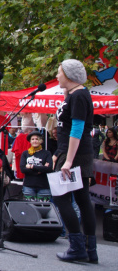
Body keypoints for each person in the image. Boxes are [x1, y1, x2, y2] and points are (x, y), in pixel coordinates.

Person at [53, 59, 97, 263]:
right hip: (77, 152)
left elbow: (77, 129)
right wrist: (66, 94)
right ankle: (90, 249)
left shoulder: (79, 96)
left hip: (74, 154)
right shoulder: (76, 94)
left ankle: (77, 246)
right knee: (82, 199)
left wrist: (68, 161)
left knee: (62, 198)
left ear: (69, 76)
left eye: (59, 72)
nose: (56, 76)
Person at [20, 131, 53, 201]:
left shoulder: (47, 153)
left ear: (41, 141)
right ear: (30, 141)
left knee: (43, 209)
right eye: (33, 139)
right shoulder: (25, 153)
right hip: (29, 186)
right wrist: (40, 170)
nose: (35, 141)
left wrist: (32, 167)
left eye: (37, 139)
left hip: (44, 186)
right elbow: (23, 169)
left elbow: (49, 168)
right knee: (30, 209)